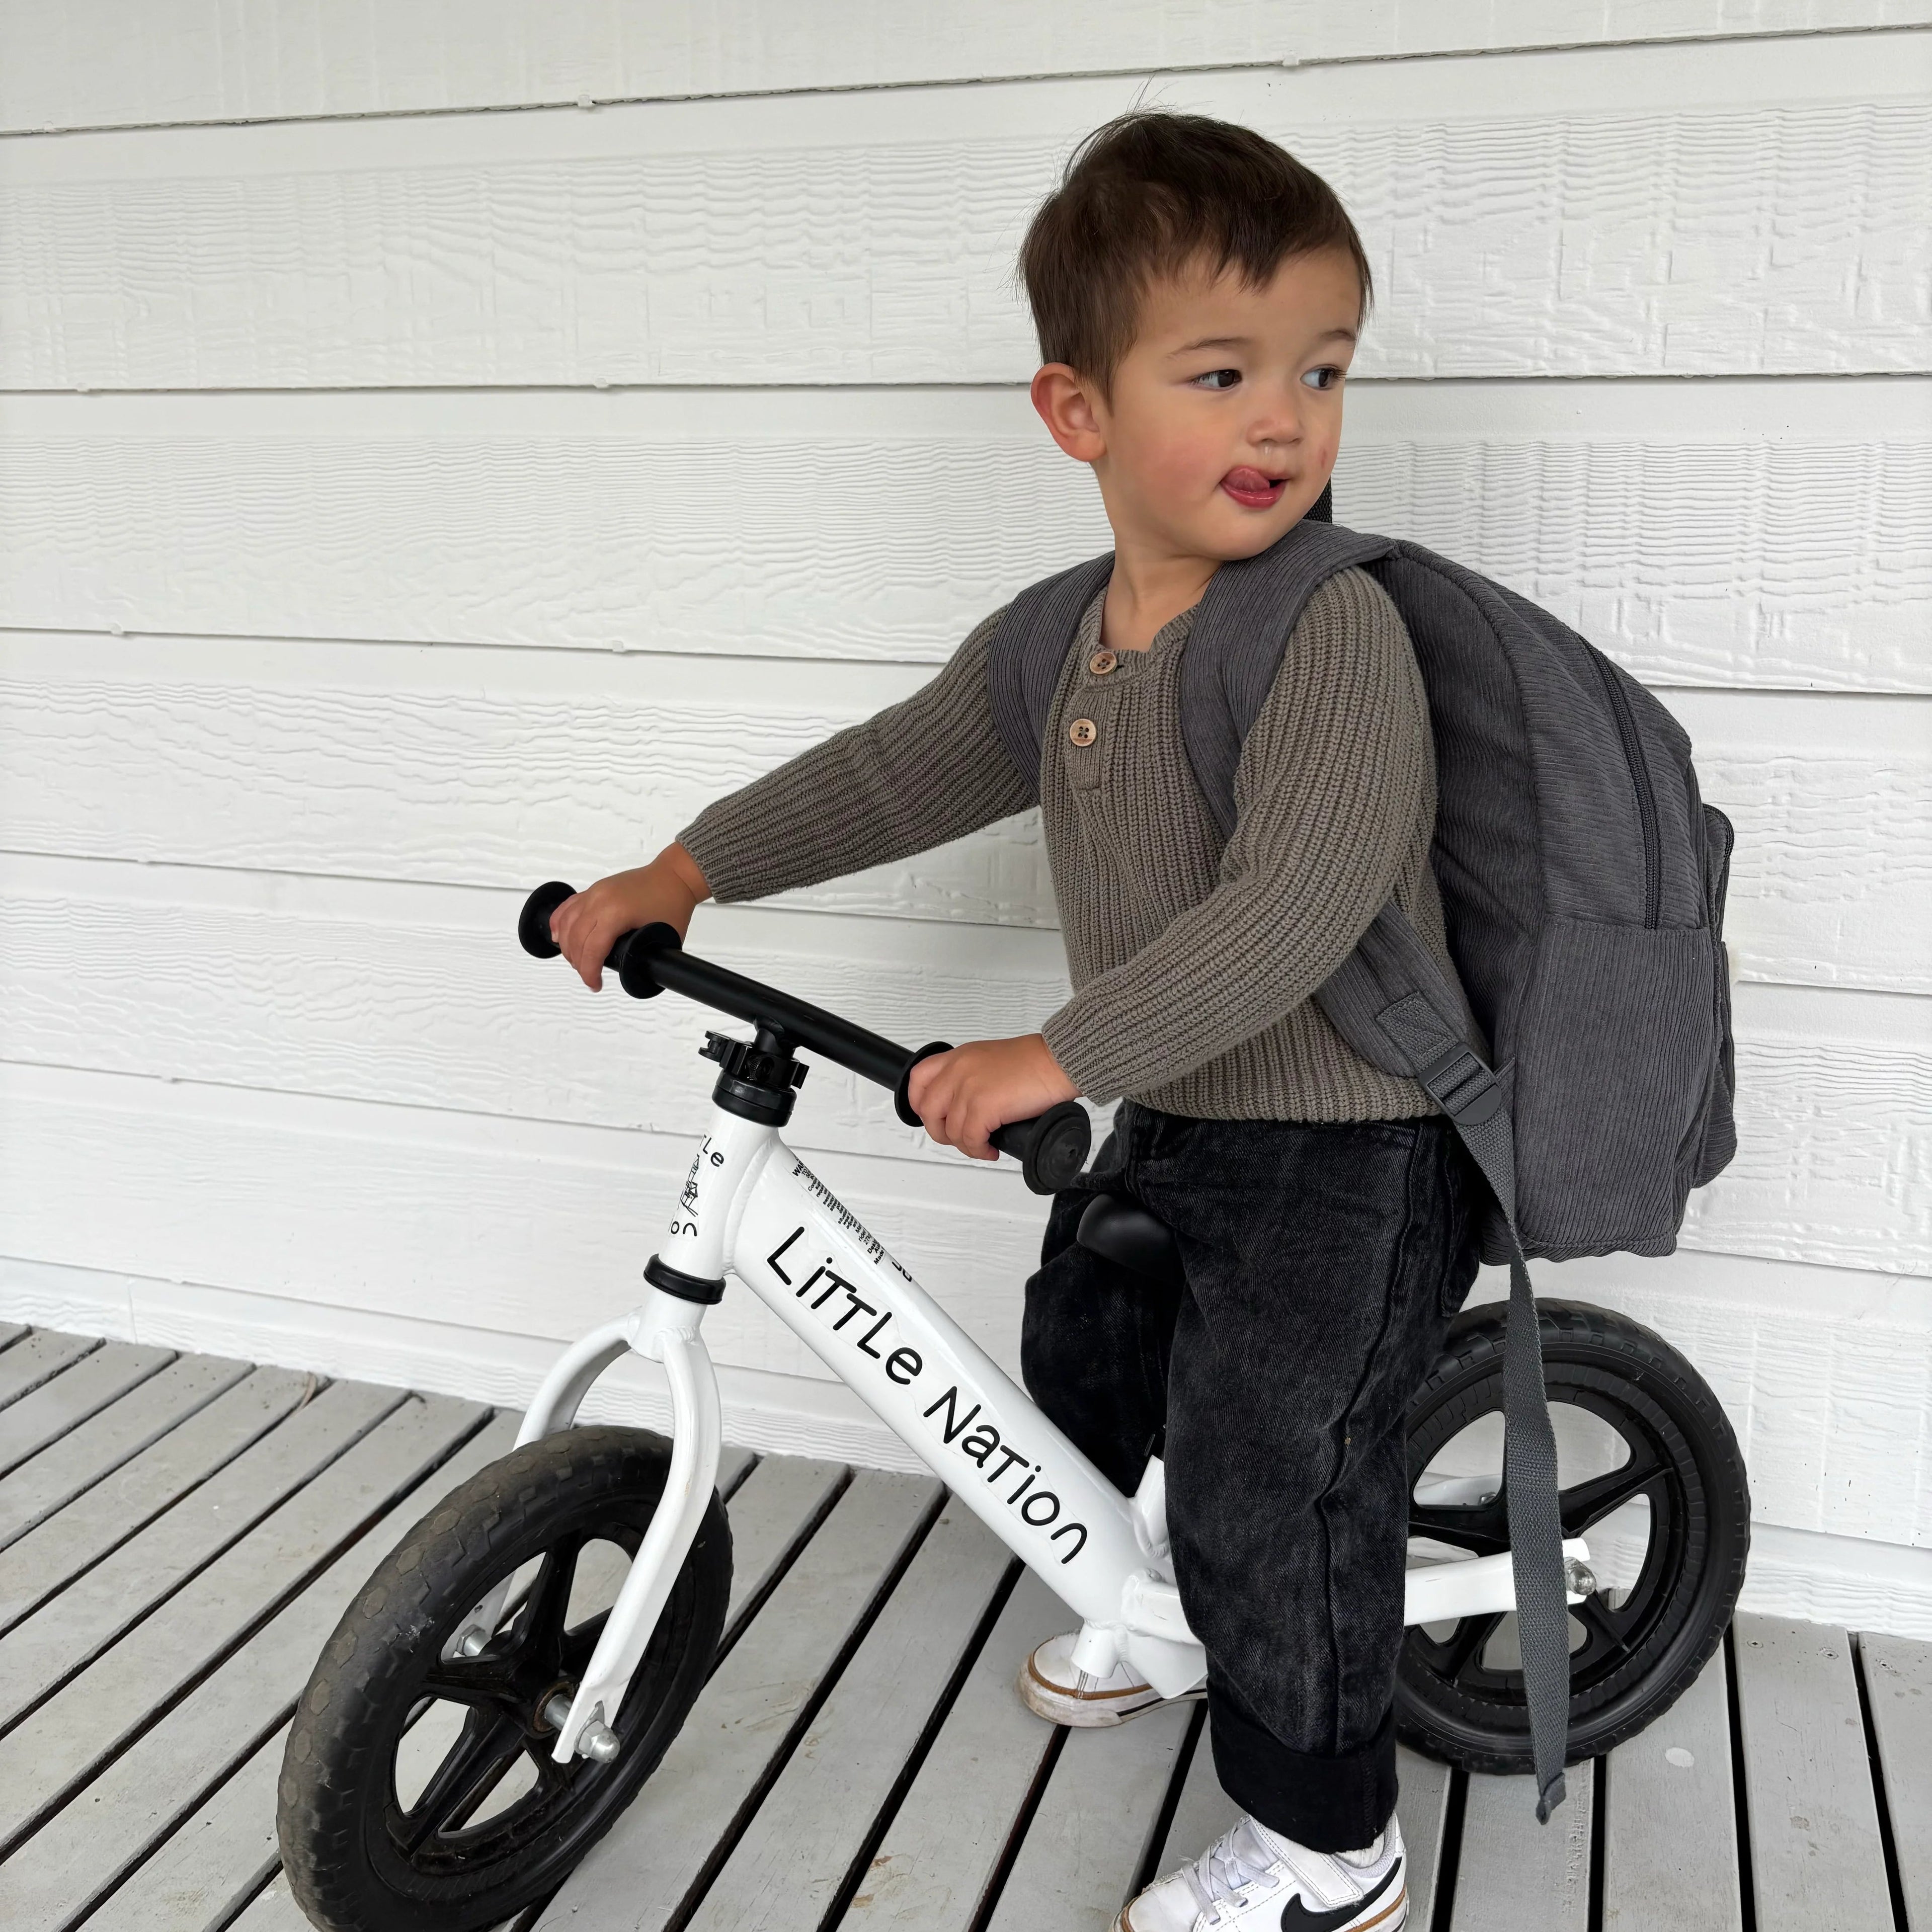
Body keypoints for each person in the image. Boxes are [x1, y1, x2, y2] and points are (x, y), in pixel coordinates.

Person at [550, 109, 1476, 1932]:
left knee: (1269, 1470)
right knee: (1087, 1361)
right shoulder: (1059, 639)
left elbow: (1294, 912)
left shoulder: (1336, 636)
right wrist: (686, 868)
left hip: (1359, 1141)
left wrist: (1060, 1056)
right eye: (1223, 373)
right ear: (1081, 413)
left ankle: (1327, 1846)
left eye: (1323, 370)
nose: (1284, 417)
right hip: (1187, 1116)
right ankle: (1155, 1611)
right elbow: (896, 771)